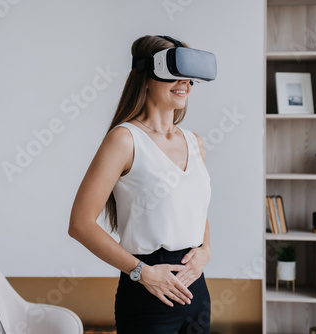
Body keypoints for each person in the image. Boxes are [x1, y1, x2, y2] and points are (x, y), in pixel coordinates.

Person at [68, 35, 214, 333]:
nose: (184, 82)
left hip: (196, 290)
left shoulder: (194, 141)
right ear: (146, 77)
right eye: (174, 73)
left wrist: (206, 250)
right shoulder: (124, 140)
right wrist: (142, 273)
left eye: (188, 76)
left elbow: (196, 209)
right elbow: (80, 224)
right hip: (149, 292)